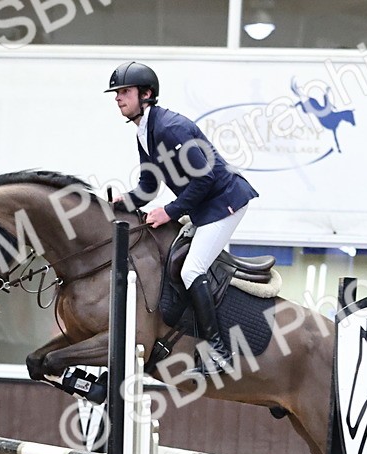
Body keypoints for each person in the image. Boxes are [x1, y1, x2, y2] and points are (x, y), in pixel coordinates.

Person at [107, 61, 258, 373]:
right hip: (206, 205)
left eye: (124, 91)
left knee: (192, 270)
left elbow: (203, 180)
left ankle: (219, 354)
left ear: (146, 94)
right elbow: (149, 186)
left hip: (225, 202)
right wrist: (126, 200)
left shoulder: (169, 128)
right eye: (117, 93)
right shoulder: (144, 132)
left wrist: (170, 211)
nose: (118, 98)